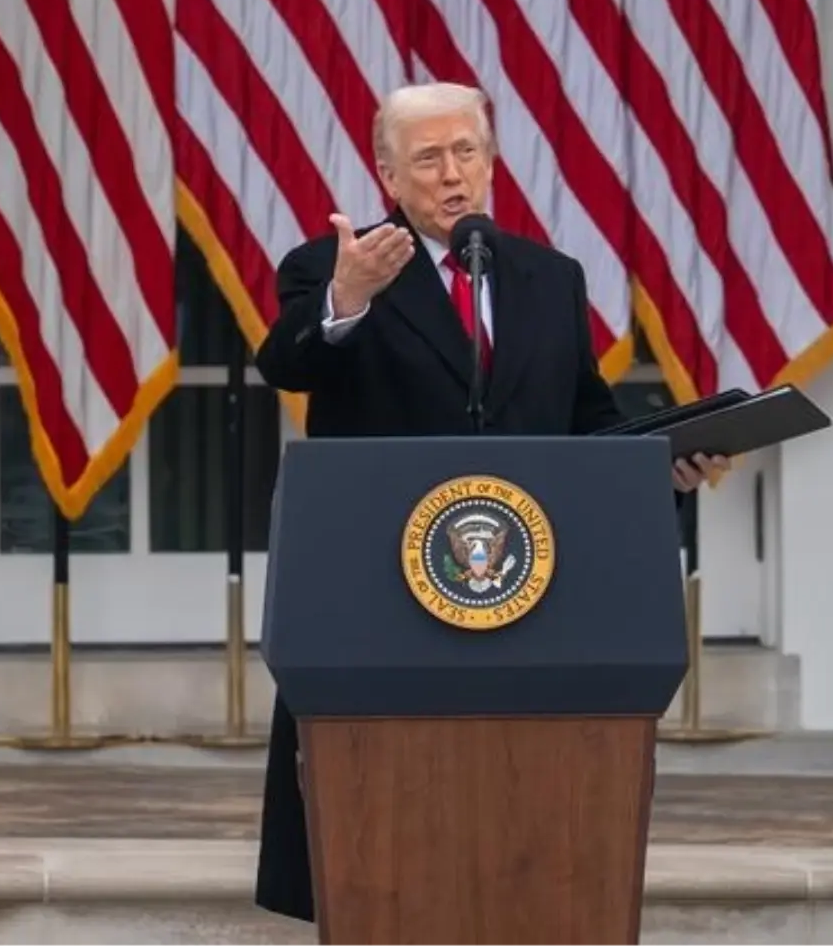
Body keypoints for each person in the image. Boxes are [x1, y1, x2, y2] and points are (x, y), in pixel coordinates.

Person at [253, 82, 726, 924]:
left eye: (466, 152)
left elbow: (587, 423)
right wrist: (347, 300)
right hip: (380, 597)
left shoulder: (549, 278)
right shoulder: (336, 266)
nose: (452, 174)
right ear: (388, 176)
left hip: (528, 596)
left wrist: (664, 467)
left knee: (525, 846)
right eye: (428, 158)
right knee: (385, 855)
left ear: (492, 162)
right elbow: (286, 362)